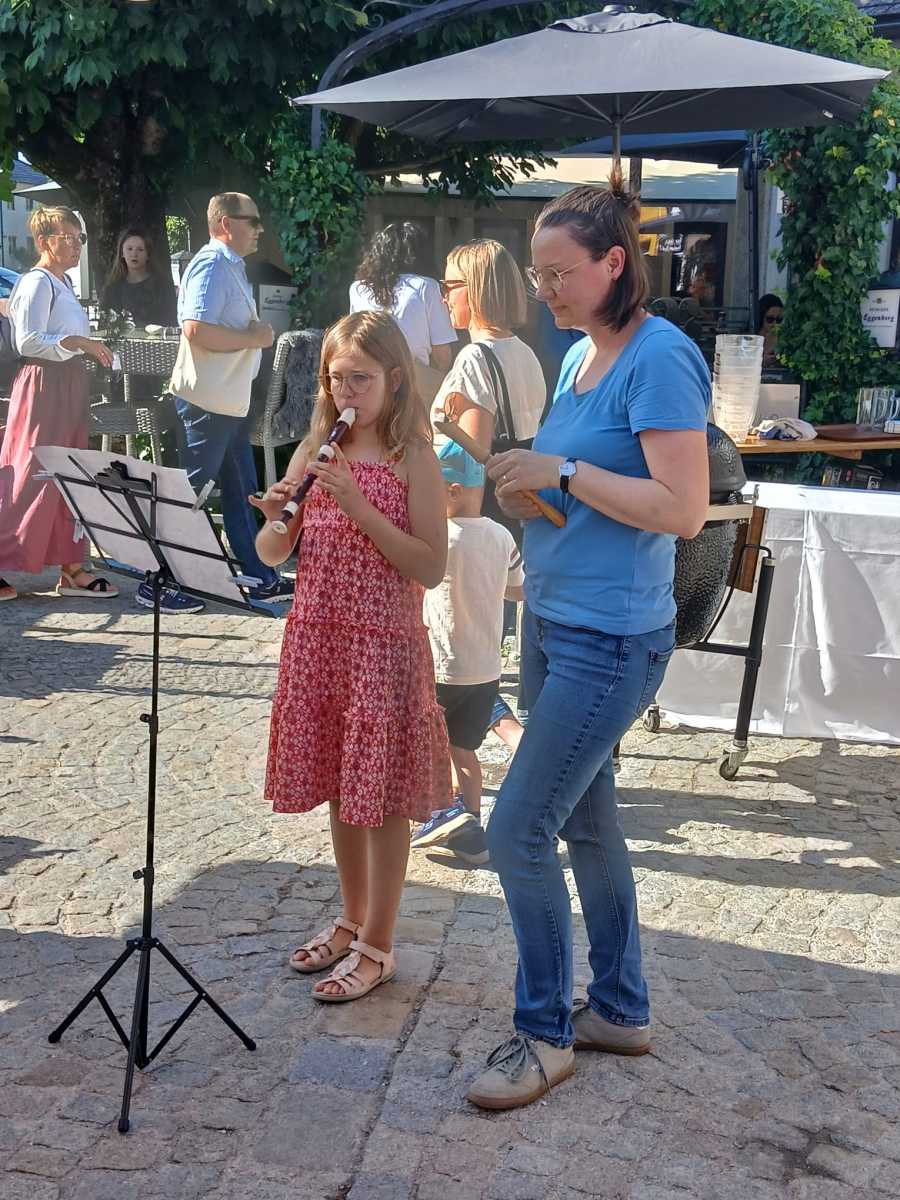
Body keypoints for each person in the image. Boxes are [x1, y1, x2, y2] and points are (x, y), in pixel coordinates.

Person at [465, 177, 710, 1111]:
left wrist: (561, 468)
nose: (546, 290)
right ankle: (619, 1008)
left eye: (560, 273)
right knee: (586, 824)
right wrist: (533, 490)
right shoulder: (577, 356)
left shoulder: (661, 356)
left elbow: (682, 510)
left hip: (611, 640)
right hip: (556, 621)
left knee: (516, 828)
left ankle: (543, 1034)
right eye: (538, 274)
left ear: (615, 263)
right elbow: (595, 491)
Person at [251, 311, 451, 1003]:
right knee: (342, 784)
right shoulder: (316, 448)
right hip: (321, 638)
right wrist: (277, 517)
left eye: (360, 380)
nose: (346, 394)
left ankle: (379, 944)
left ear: (395, 379)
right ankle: (351, 917)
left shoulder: (413, 457)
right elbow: (272, 554)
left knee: (384, 797)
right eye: (336, 380)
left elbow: (430, 566)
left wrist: (360, 506)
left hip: (382, 644)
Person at [141, 192, 292, 615]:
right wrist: (253, 337)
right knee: (189, 492)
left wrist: (252, 335)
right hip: (208, 402)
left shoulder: (229, 265)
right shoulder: (211, 264)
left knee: (241, 490)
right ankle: (157, 579)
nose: (260, 228)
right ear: (227, 223)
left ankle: (257, 576)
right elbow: (196, 329)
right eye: (253, 221)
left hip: (227, 401)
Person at [412, 442, 524, 866]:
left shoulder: (440, 537)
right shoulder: (502, 536)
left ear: (453, 490)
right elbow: (518, 591)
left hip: (441, 667)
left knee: (432, 750)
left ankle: (443, 816)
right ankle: (472, 830)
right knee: (465, 752)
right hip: (485, 670)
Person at [0, 206, 119, 602]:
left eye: (78, 237)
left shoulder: (62, 281)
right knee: (31, 471)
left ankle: (71, 567)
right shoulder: (37, 282)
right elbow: (27, 341)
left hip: (68, 381)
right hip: (43, 383)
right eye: (67, 237)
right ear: (43, 242)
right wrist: (80, 342)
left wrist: (83, 345)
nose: (76, 245)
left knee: (69, 473)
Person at [432, 238, 546, 532]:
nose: (444, 297)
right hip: (517, 516)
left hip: (478, 519)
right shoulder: (526, 353)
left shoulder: (474, 359)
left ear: (475, 288)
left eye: (449, 286)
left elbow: (470, 469)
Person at [350, 222, 457, 404]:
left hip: (367, 381)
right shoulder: (427, 287)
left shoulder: (357, 289)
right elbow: (442, 356)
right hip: (414, 380)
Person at [101, 228, 177, 328]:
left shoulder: (162, 286)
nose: (134, 254)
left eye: (140, 249)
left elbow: (171, 322)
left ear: (148, 254)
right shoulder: (112, 289)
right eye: (129, 249)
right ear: (122, 253)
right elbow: (106, 325)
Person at [757, 293, 784, 366]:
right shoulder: (750, 338)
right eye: (770, 319)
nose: (775, 324)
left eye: (779, 320)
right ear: (761, 317)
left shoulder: (782, 338)